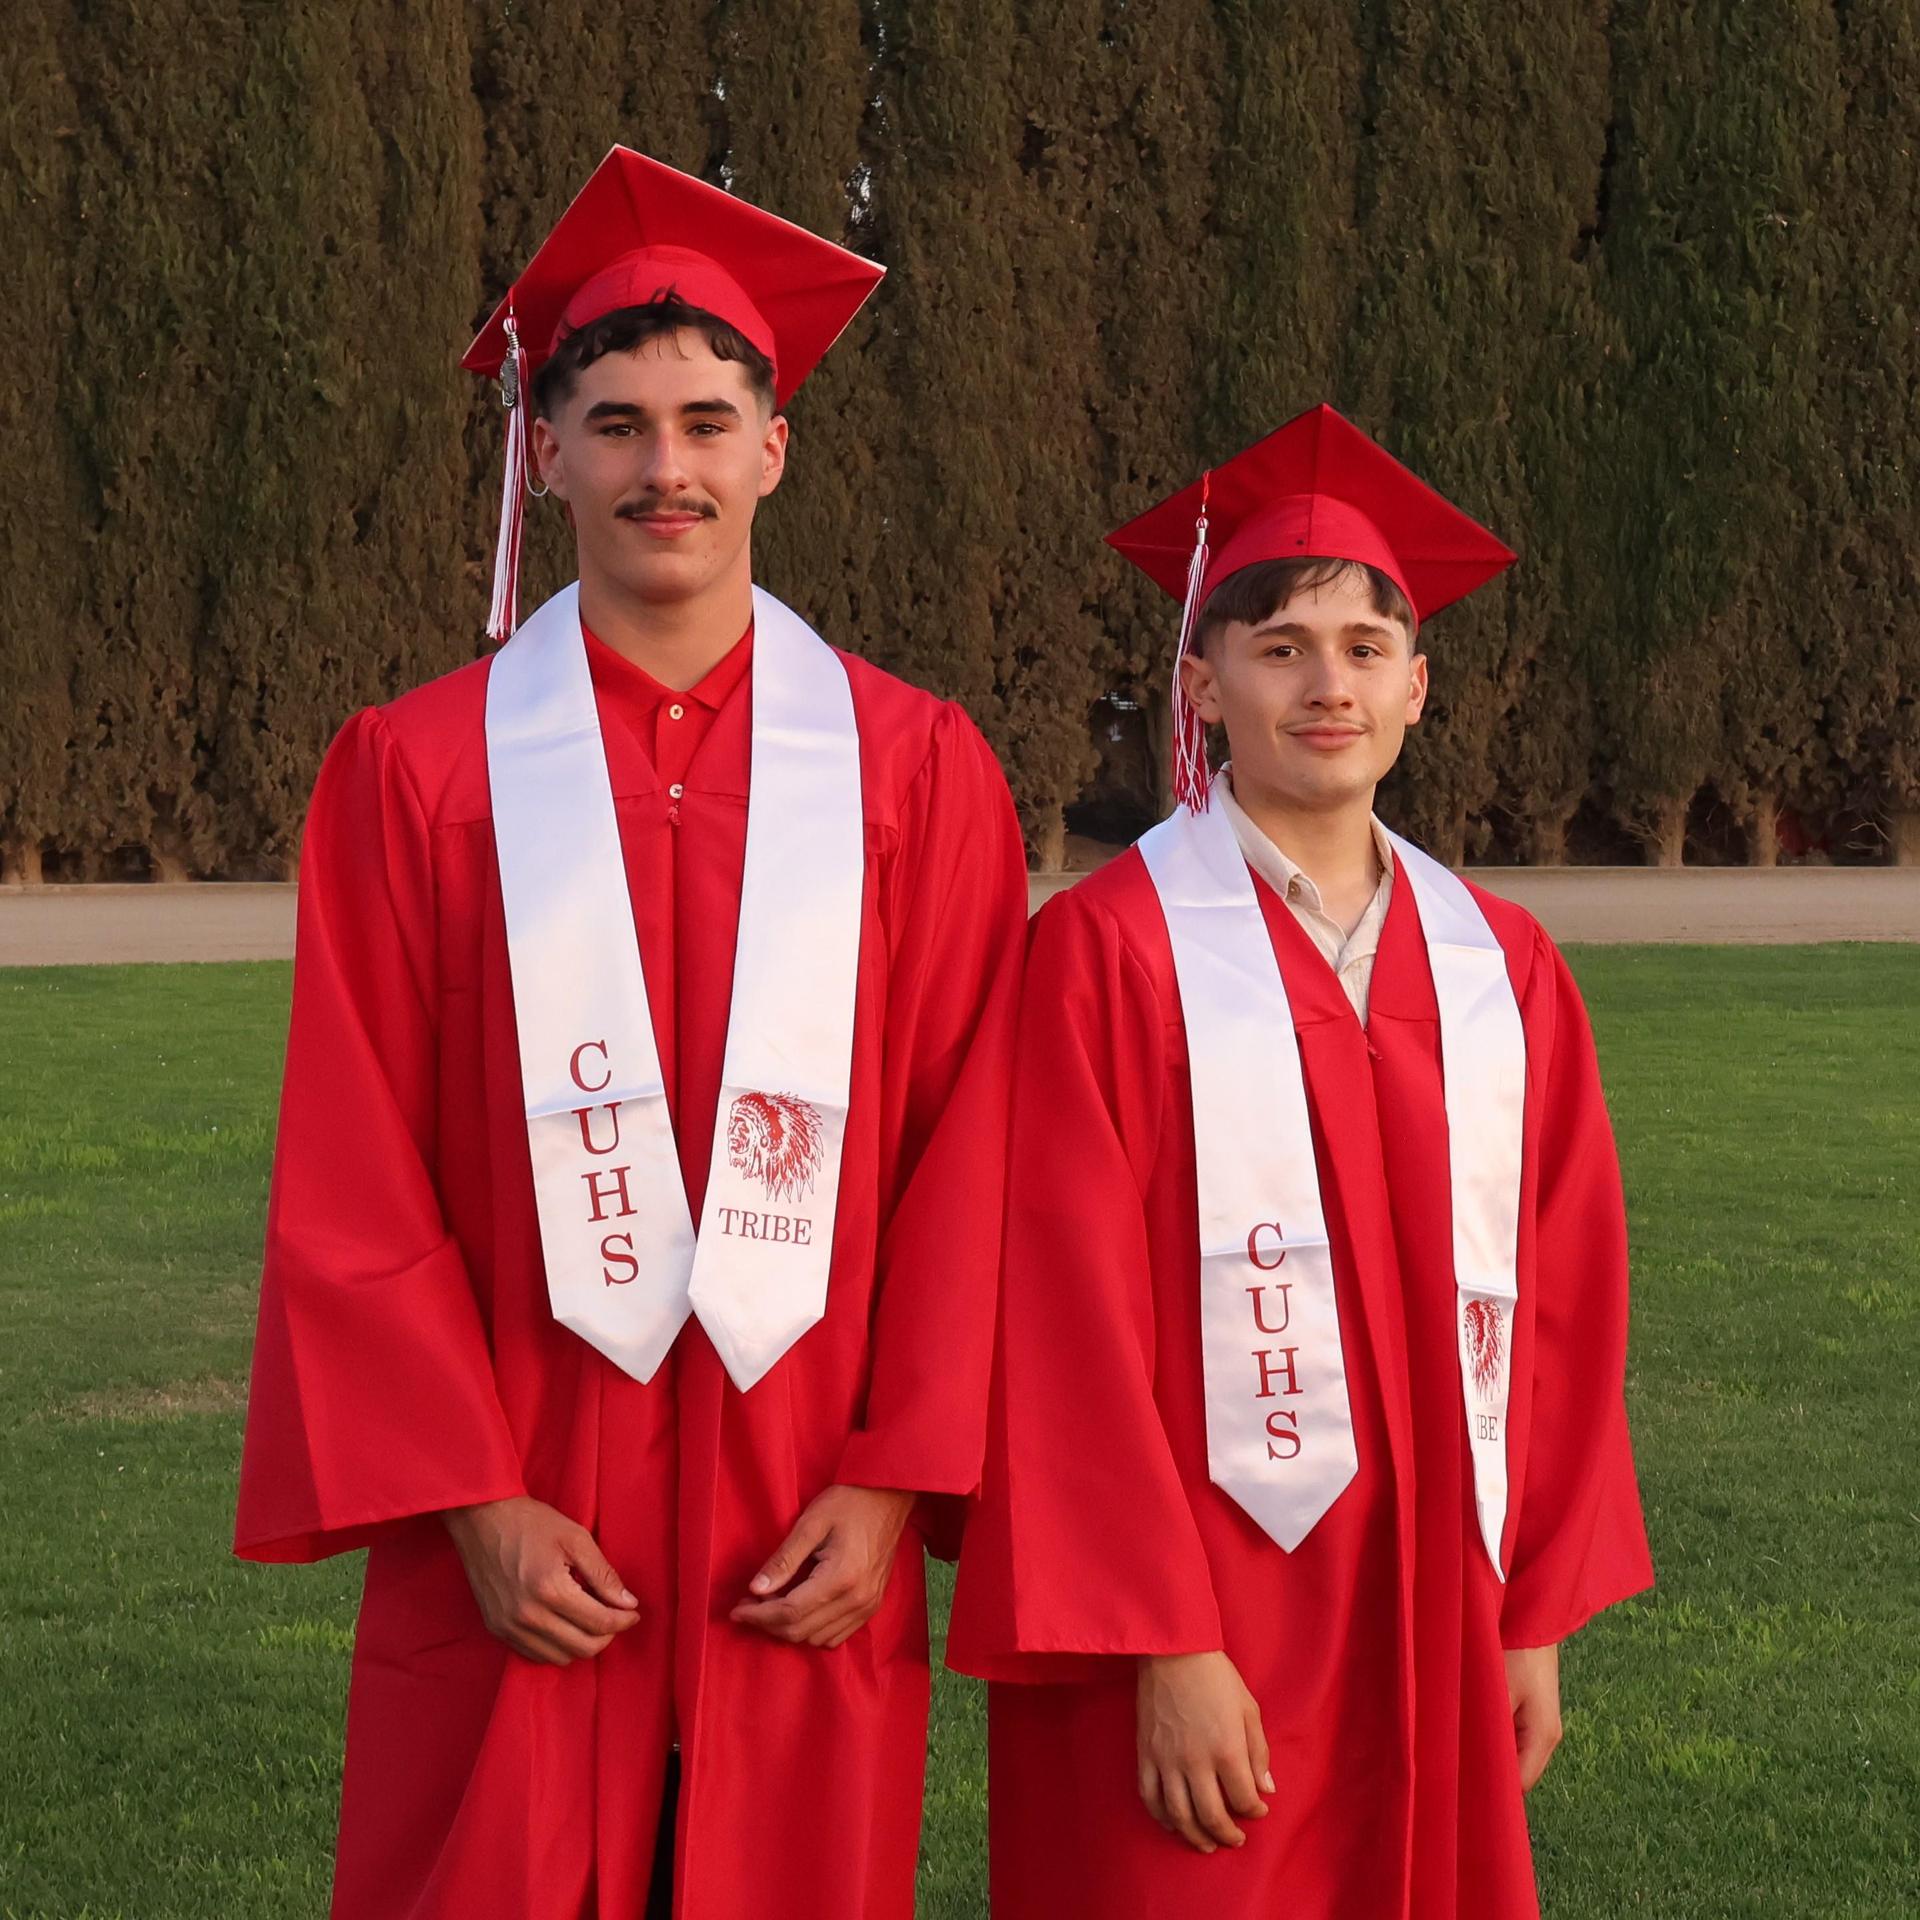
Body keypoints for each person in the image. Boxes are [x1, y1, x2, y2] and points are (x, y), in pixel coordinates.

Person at [235, 146, 1028, 1920]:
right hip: (523, 1499)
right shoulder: (417, 772)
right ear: (546, 455)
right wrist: (471, 1501)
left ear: (773, 447)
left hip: (803, 1491)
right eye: (612, 423)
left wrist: (899, 1485)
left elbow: (975, 1154)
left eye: (701, 419)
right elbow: (353, 1167)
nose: (661, 466)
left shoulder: (914, 772)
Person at [949, 404, 1653, 1919]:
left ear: (1418, 687)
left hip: (1434, 1596)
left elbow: (1567, 1300)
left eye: (1360, 646)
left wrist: (1528, 1611)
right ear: (1201, 684)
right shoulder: (1106, 952)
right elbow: (1055, 1322)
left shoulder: (1502, 968)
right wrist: (1161, 1640)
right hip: (1196, 1609)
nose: (1325, 683)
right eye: (1278, 648)